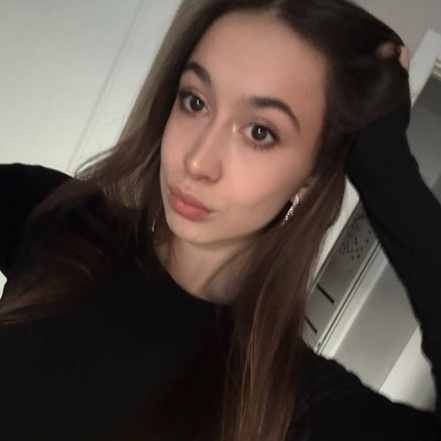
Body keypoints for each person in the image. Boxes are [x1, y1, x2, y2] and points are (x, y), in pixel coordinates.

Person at [0, 0, 440, 440]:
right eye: (195, 101)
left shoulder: (289, 405)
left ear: (313, 172)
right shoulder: (64, 221)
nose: (197, 161)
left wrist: (386, 167)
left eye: (259, 132)